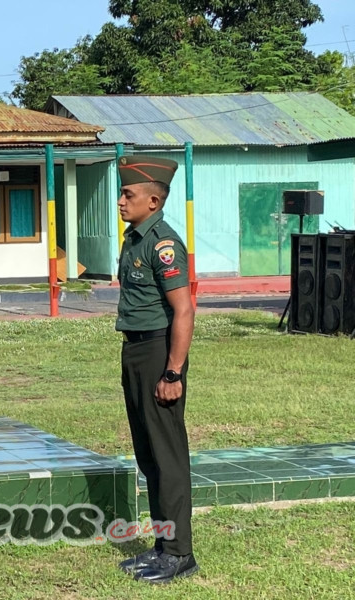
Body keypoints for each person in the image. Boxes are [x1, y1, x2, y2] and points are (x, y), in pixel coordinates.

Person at [114, 156, 198, 583]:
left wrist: (173, 373)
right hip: (135, 349)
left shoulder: (164, 243)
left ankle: (181, 553)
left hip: (158, 352)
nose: (120, 201)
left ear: (153, 199)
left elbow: (184, 311)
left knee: (167, 455)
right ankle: (164, 544)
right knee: (149, 455)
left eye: (128, 195)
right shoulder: (135, 238)